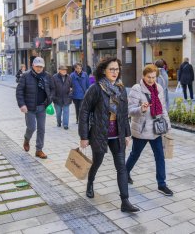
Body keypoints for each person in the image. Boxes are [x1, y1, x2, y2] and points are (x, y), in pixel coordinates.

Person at [78, 57, 139, 213]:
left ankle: (125, 201)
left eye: (117, 69)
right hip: (100, 134)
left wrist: (126, 134)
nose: (114, 72)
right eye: (111, 69)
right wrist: (84, 136)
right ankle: (90, 182)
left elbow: (124, 114)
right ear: (103, 70)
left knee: (121, 168)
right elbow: (84, 111)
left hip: (117, 134)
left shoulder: (120, 89)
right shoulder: (96, 89)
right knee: (97, 162)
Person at [126, 64, 173, 196]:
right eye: (149, 77)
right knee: (135, 154)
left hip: (156, 129)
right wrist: (141, 109)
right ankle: (125, 173)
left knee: (160, 156)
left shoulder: (158, 88)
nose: (151, 80)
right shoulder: (136, 89)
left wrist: (168, 127)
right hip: (141, 130)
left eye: (154, 77)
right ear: (143, 76)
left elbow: (163, 109)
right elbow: (129, 110)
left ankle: (162, 184)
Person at [16, 57, 52, 159]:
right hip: (29, 107)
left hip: (42, 107)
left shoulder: (47, 76)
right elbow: (19, 91)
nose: (39, 68)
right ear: (33, 66)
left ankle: (39, 150)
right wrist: (22, 105)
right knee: (31, 127)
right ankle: (27, 139)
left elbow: (53, 89)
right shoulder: (26, 76)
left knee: (41, 129)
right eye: (37, 66)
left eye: (41, 67)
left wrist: (49, 100)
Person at [52, 65, 72, 130]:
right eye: (63, 70)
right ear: (59, 70)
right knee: (58, 112)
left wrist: (70, 94)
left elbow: (72, 86)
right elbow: (52, 88)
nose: (64, 71)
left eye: (65, 70)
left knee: (66, 111)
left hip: (66, 97)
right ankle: (58, 122)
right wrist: (53, 97)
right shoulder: (54, 77)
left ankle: (65, 124)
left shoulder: (69, 77)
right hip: (57, 98)